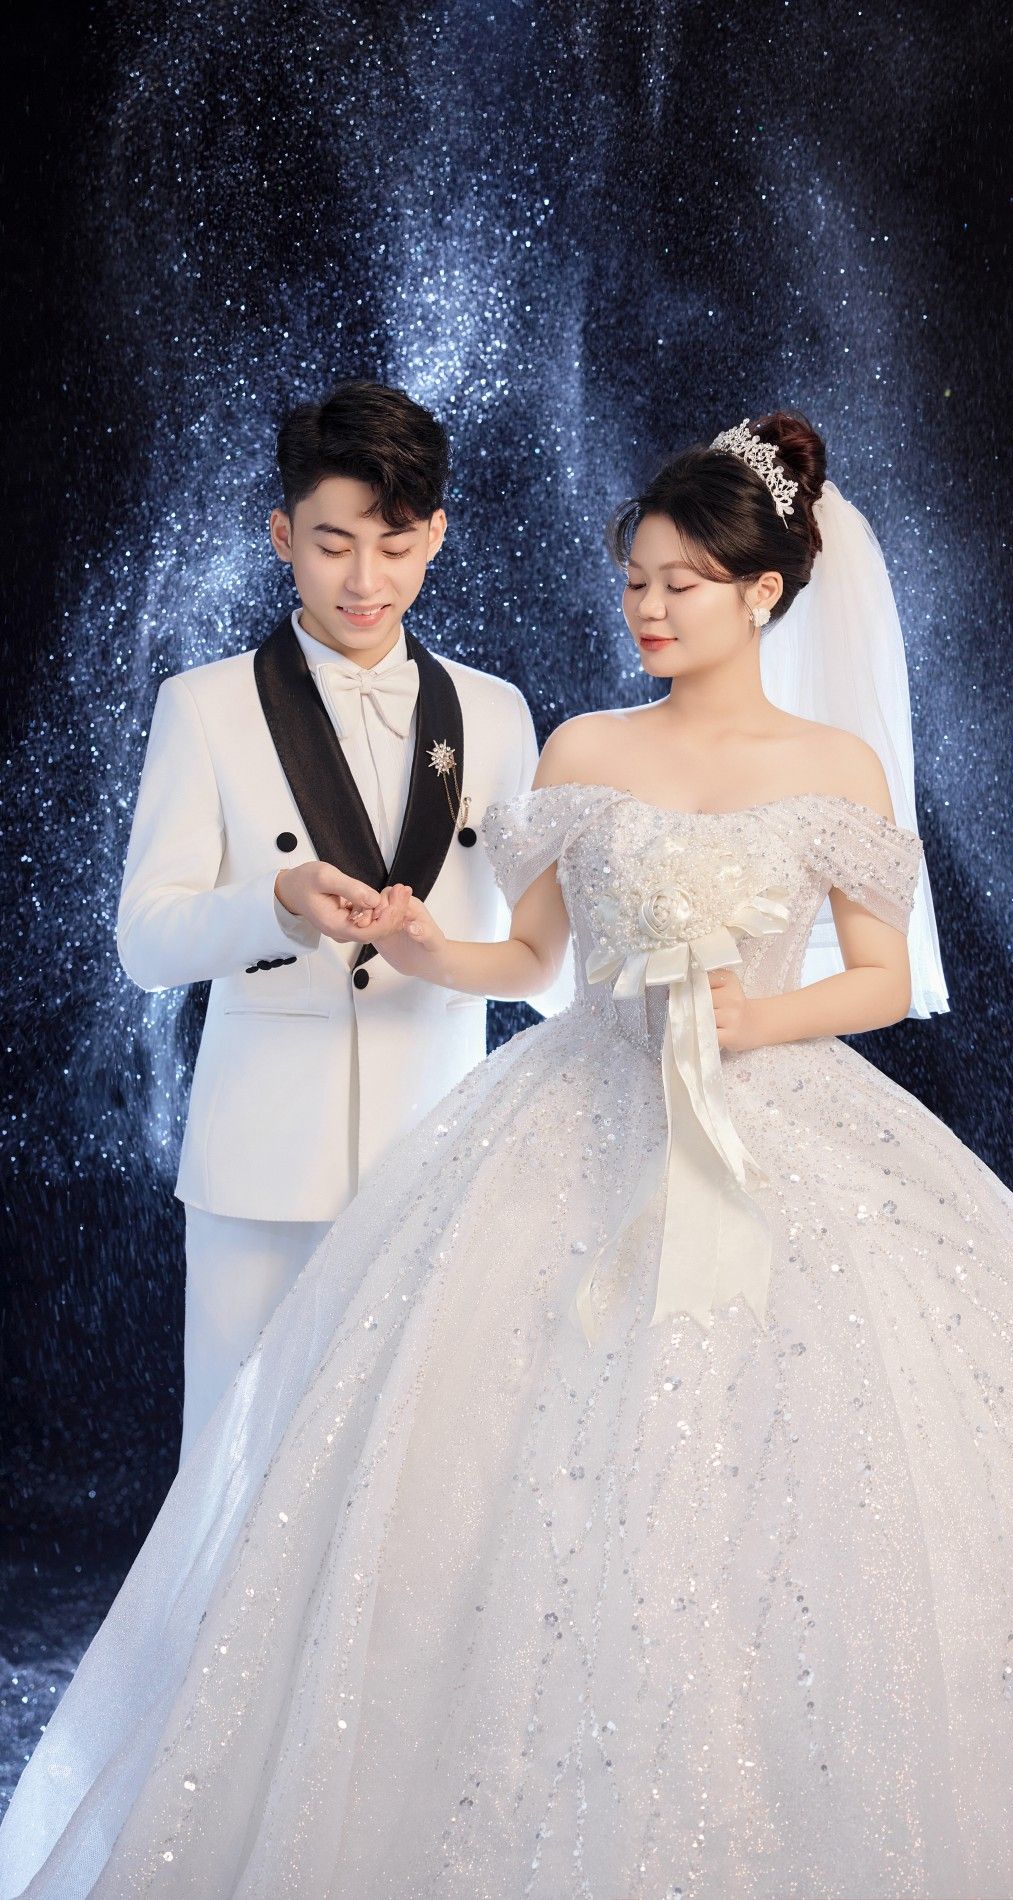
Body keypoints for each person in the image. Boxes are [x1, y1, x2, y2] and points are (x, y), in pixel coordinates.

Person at [2, 413, 1013, 1898]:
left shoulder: (834, 765)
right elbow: (530, 959)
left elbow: (880, 978)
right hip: (570, 1114)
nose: (646, 608)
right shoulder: (584, 746)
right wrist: (422, 941)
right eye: (635, 581)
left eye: (680, 583)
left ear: (764, 592)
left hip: (773, 1117)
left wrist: (753, 1018)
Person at [114, 379, 569, 1464]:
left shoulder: (496, 713)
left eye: (395, 545)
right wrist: (274, 903)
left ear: (436, 537)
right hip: (262, 1161)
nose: (365, 581)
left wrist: (448, 955)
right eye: (332, 545)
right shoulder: (204, 705)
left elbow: (552, 972)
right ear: (283, 536)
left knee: (418, 1470)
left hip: (440, 1155)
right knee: (235, 1466)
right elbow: (145, 945)